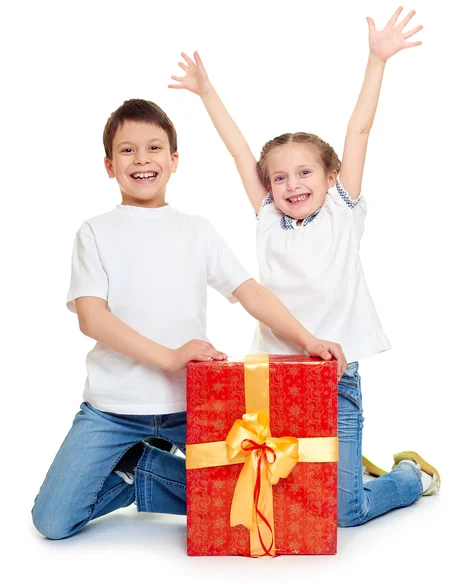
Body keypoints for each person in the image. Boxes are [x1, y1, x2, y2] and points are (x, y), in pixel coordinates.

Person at [169, 5, 440, 527]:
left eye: (304, 173)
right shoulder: (269, 220)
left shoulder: (343, 209)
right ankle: (343, 463)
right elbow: (238, 151)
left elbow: (358, 131)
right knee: (275, 486)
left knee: (343, 512)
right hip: (274, 375)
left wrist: (377, 60)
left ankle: (407, 476)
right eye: (279, 178)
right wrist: (206, 92)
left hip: (335, 376)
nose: (292, 185)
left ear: (330, 173)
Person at [31, 99, 346, 540]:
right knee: (52, 521)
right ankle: (142, 470)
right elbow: (91, 318)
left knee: (269, 492)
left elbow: (250, 293)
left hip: (192, 404)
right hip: (113, 411)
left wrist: (307, 338)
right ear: (108, 165)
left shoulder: (196, 230)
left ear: (174, 160)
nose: (142, 159)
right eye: (127, 150)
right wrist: (168, 356)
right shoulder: (94, 232)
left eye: (154, 148)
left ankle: (143, 470)